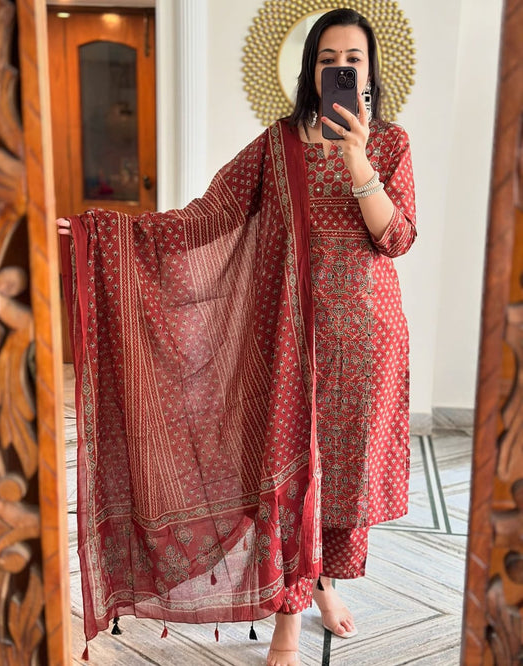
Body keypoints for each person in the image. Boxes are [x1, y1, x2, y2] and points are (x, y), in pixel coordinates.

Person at [58, 8, 416, 666]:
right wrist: (103, 234)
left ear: (369, 70)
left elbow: (394, 237)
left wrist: (357, 158)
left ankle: (324, 586)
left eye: (354, 59)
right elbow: (209, 215)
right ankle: (285, 620)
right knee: (285, 479)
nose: (341, 67)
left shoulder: (390, 144)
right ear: (311, 70)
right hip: (288, 342)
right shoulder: (277, 144)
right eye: (328, 58)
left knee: (336, 478)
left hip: (366, 344)